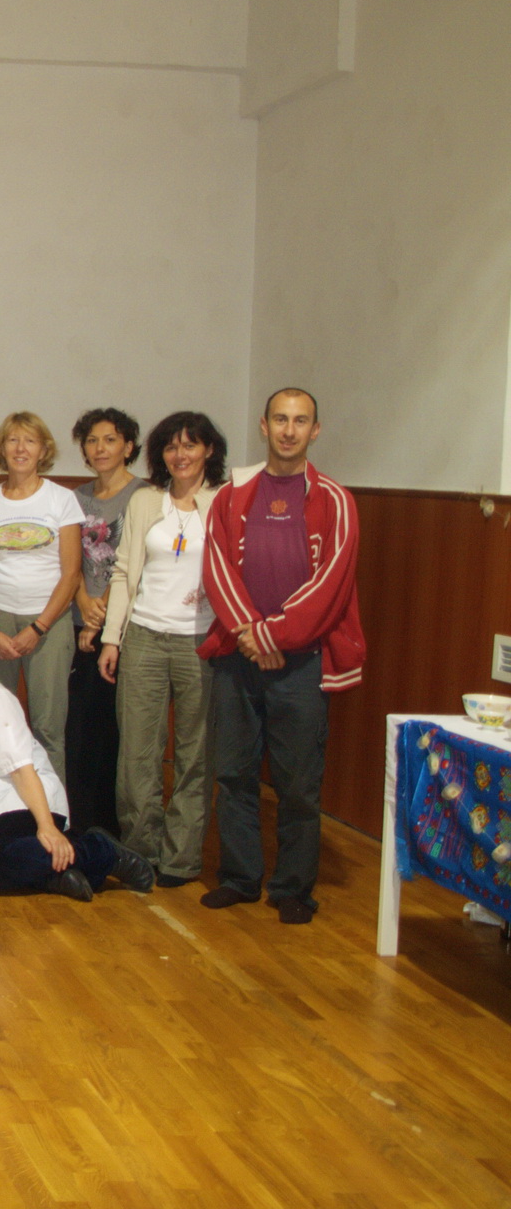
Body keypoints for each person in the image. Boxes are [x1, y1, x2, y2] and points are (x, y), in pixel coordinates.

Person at [198, 388, 364, 924]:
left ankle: (293, 887)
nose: (289, 430)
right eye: (280, 419)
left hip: (303, 662)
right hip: (238, 654)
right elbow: (216, 568)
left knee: (297, 785)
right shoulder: (232, 496)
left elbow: (332, 584)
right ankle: (240, 878)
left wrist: (273, 636)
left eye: (300, 421)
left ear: (315, 430)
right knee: (233, 774)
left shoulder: (336, 500)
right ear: (264, 426)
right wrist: (251, 632)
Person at [0, 618, 153, 899]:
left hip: (15, 801)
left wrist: (47, 826)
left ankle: (100, 851)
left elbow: (21, 771)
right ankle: (46, 875)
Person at [99, 411, 227, 889]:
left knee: (195, 756)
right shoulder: (144, 501)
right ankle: (140, 852)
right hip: (144, 638)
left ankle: (181, 859)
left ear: (208, 450)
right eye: (172, 447)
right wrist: (112, 637)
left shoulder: (224, 501)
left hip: (202, 643)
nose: (180, 455)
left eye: (191, 445)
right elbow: (123, 571)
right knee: (137, 753)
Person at [0, 412, 84, 782]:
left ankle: (51, 810)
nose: (20, 448)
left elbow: (71, 574)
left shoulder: (62, 500)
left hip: (48, 624)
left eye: (30, 441)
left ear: (43, 450)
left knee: (48, 728)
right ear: (2, 448)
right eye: (13, 440)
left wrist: (38, 627)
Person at [64, 407, 147, 835]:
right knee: (80, 729)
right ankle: (81, 825)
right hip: (79, 623)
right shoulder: (75, 499)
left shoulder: (144, 496)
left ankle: (115, 831)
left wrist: (101, 616)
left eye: (110, 440)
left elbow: (136, 563)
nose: (100, 448)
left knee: (117, 731)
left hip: (123, 629)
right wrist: (83, 601)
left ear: (128, 446)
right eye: (92, 441)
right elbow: (69, 561)